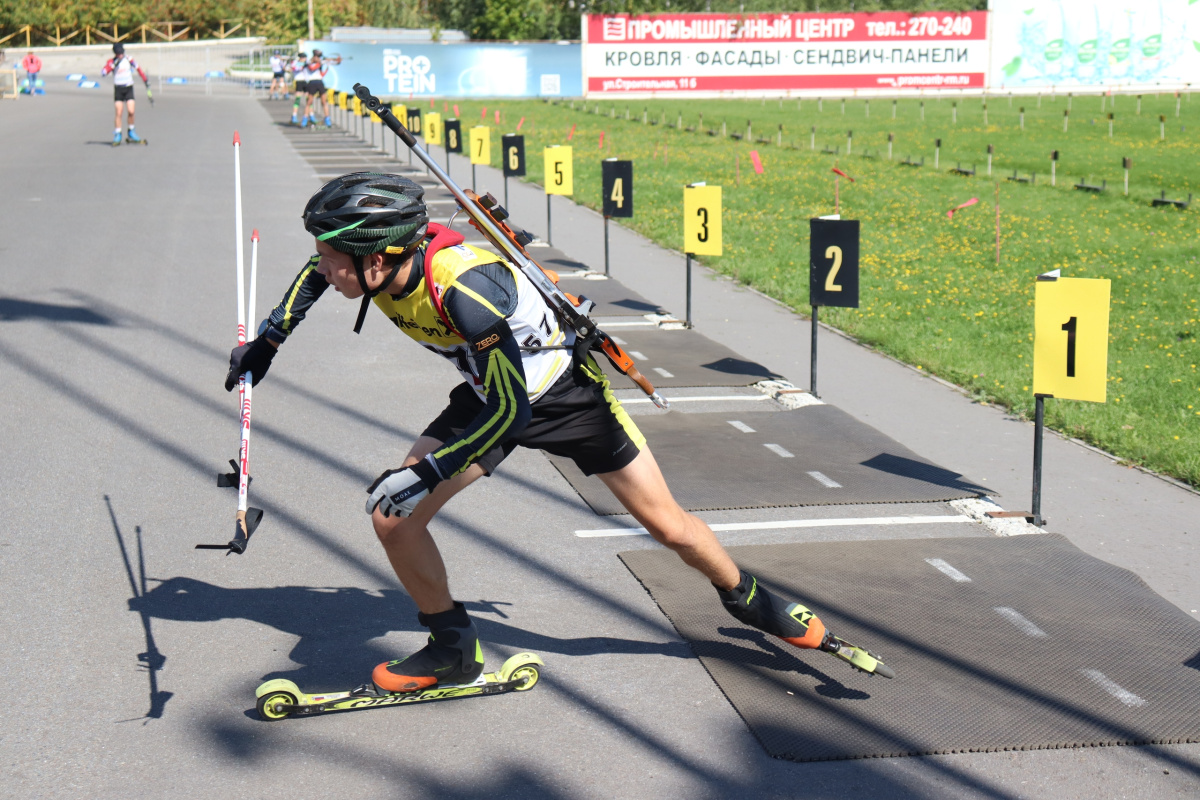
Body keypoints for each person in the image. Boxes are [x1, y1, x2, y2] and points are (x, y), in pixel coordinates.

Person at [226, 173, 854, 693]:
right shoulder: (366, 266)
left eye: (336, 258)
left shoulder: (464, 288)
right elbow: (313, 278)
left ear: (380, 257)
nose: (324, 268)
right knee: (393, 516)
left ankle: (744, 595)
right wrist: (269, 340)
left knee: (666, 526)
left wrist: (425, 471)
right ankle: (452, 650)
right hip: (488, 390)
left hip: (561, 396)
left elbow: (514, 415)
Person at [100, 43, 148, 145]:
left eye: (121, 52)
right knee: (119, 112)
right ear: (115, 53)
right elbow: (103, 72)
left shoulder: (129, 59)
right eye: (118, 53)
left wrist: (145, 79)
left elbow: (138, 68)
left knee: (131, 111)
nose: (120, 55)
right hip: (118, 88)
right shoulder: (112, 61)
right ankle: (118, 133)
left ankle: (131, 131)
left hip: (128, 87)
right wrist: (112, 66)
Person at [290, 53, 309, 125]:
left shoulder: (306, 62)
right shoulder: (296, 63)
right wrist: (302, 65)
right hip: (299, 81)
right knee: (298, 99)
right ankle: (294, 115)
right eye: (303, 58)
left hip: (306, 81)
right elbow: (295, 68)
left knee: (308, 99)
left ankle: (310, 115)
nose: (304, 59)